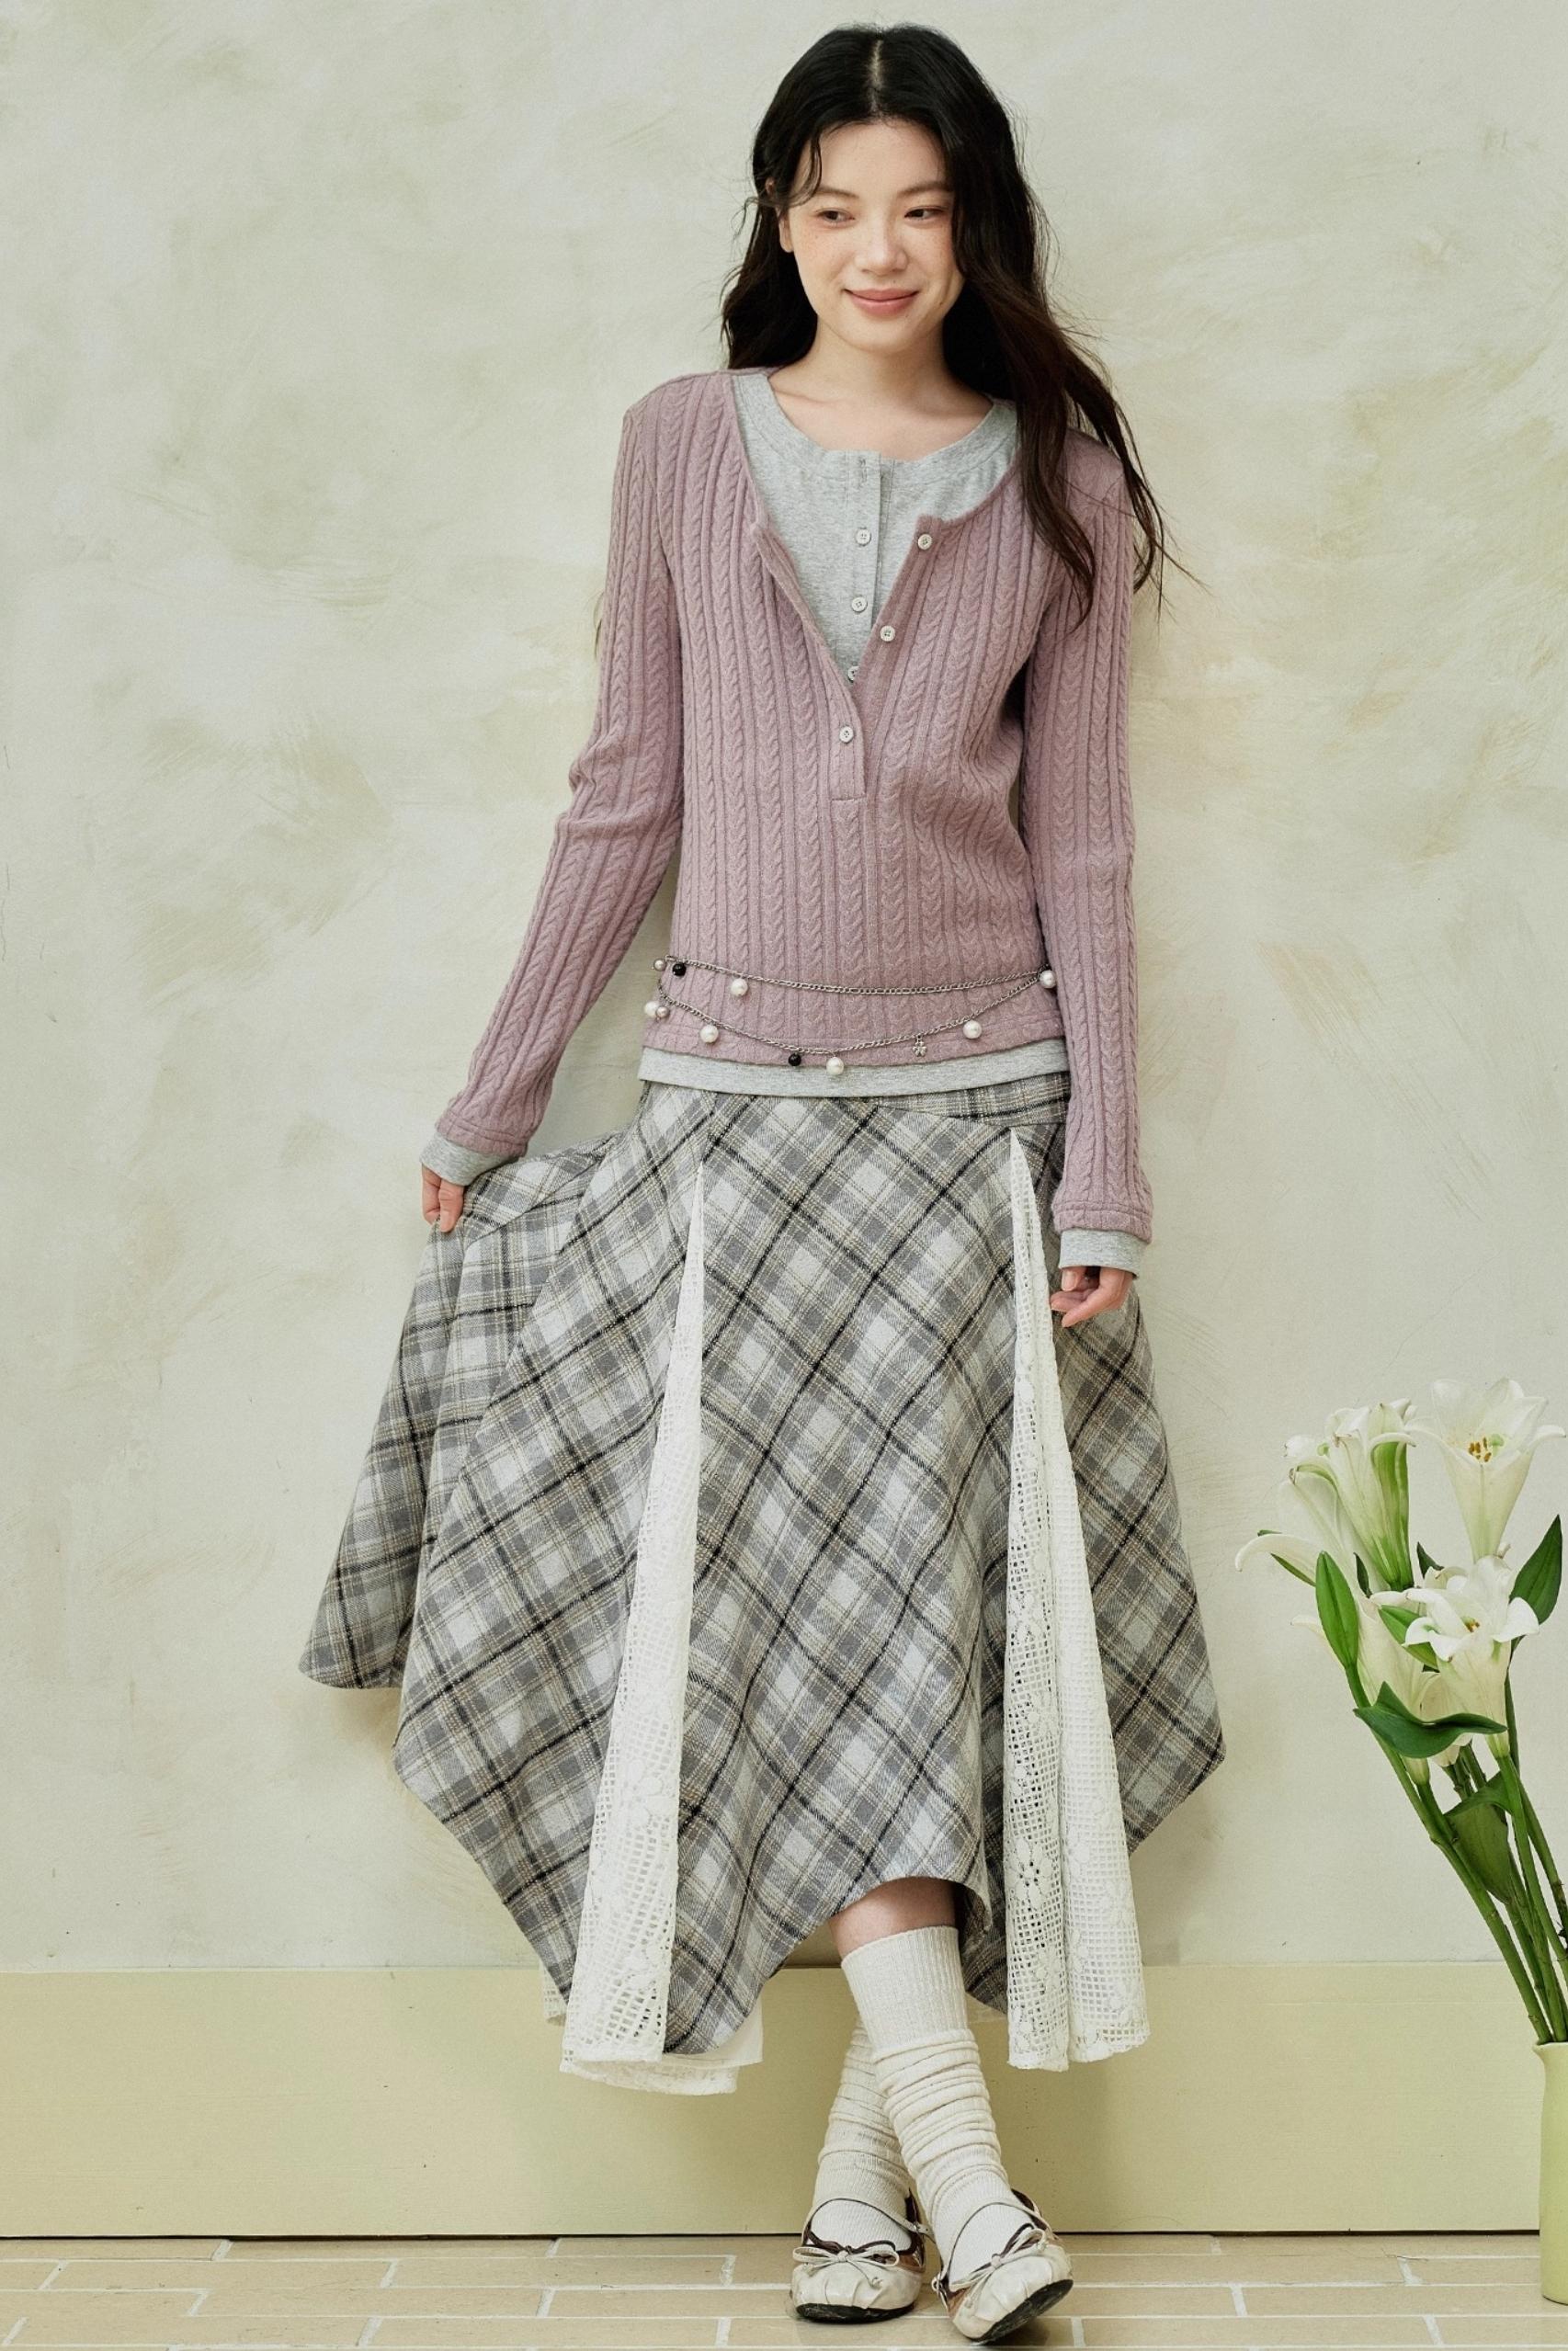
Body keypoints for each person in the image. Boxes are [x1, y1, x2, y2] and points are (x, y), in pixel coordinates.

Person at [300, 23, 1226, 2345]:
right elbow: (626, 787)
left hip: (973, 1133)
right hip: (734, 1127)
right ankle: (958, 2194)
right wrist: (493, 1098)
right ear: (777, 220)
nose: (875, 251)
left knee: (911, 1652)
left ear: (973, 227)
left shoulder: (1058, 484)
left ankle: (893, 2203)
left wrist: (1106, 1169)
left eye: (918, 209)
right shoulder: (678, 449)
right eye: (833, 207)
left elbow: (1087, 846)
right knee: (828, 1650)